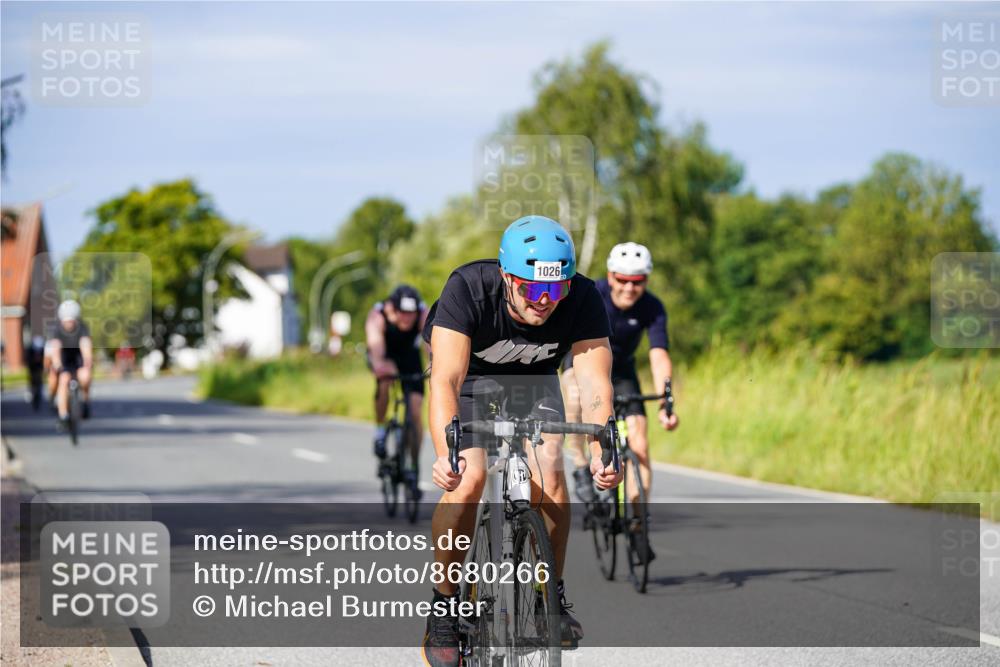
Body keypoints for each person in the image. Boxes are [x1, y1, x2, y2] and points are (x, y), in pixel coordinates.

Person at [420, 215, 622, 667]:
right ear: (508, 278)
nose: (546, 301)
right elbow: (446, 382)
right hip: (472, 382)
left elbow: (594, 387)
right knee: (468, 481)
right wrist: (444, 454)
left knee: (550, 472)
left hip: (534, 386)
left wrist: (601, 450)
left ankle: (549, 591)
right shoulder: (468, 288)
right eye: (533, 289)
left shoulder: (584, 297)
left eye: (557, 289)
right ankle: (445, 606)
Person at [561, 241, 680, 563]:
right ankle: (582, 467)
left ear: (646, 280)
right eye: (622, 279)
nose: (629, 287)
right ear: (610, 276)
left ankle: (639, 525)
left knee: (639, 444)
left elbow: (658, 355)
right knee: (573, 395)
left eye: (637, 281)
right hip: (582, 363)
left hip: (622, 371)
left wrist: (666, 401)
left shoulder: (652, 307)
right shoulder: (592, 294)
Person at [365, 284, 429, 492]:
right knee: (384, 380)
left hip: (410, 358)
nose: (407, 319)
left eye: (411, 314)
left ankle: (412, 464)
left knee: (416, 410)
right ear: (393, 309)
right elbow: (376, 348)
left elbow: (431, 346)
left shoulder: (422, 313)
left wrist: (435, 365)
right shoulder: (378, 315)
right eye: (403, 313)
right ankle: (380, 430)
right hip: (386, 354)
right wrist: (381, 365)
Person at [48, 300, 94, 428]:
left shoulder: (82, 328)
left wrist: (87, 361)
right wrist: (57, 364)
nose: (69, 324)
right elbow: (55, 349)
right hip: (64, 360)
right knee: (63, 379)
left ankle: (85, 401)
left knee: (85, 377)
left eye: (71, 321)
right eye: (67, 321)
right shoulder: (57, 330)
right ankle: (63, 415)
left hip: (78, 359)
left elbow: (85, 346)